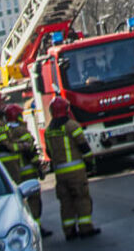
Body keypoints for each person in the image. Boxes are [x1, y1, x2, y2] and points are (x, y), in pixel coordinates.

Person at [42, 96, 98, 240]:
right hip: (76, 172)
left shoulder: (49, 131)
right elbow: (83, 146)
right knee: (82, 199)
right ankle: (86, 228)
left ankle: (69, 231)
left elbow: (48, 152)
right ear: (65, 110)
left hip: (60, 174)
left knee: (66, 203)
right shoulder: (72, 126)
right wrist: (90, 163)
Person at [3, 104, 51, 237]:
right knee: (34, 201)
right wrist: (39, 167)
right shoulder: (21, 131)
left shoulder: (5, 131)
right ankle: (37, 229)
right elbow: (31, 151)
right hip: (28, 172)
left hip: (15, 173)